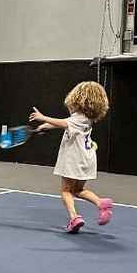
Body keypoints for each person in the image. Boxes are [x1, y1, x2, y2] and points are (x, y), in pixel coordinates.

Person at [29, 81, 112, 234]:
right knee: (78, 189)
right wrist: (48, 126)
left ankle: (74, 218)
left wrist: (43, 118)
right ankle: (101, 203)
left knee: (66, 191)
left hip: (75, 159)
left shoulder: (78, 118)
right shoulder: (87, 118)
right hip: (87, 159)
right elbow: (67, 124)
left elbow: (65, 123)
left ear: (79, 101)